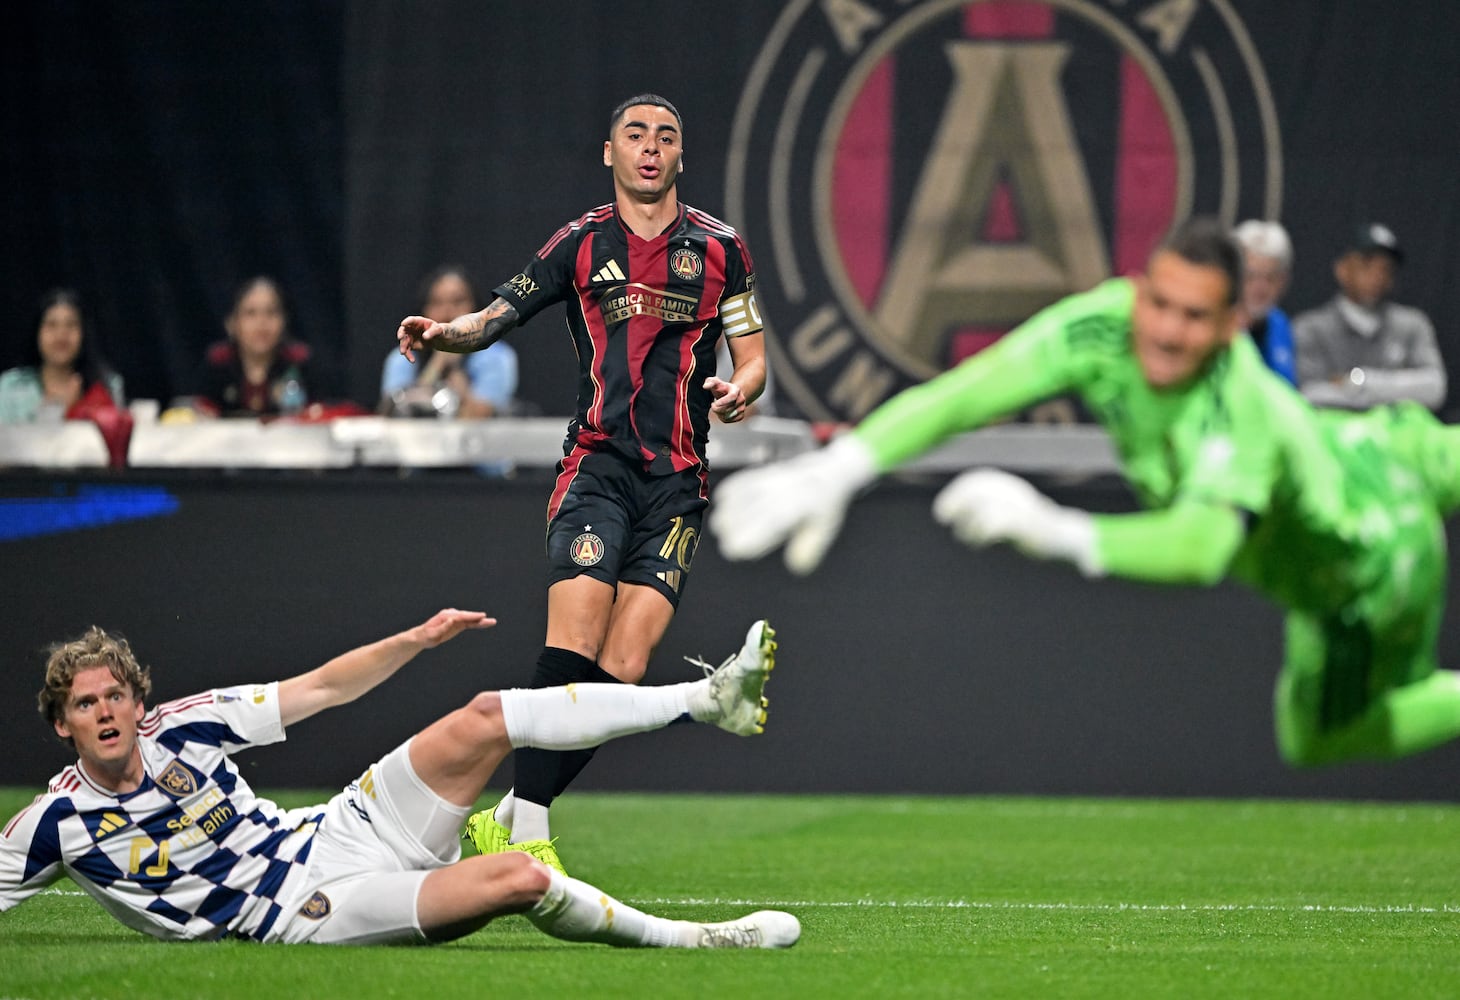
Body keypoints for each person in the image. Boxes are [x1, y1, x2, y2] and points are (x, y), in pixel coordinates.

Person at [712, 218, 1460, 771]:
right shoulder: (1106, 322)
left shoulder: (1243, 407)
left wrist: (1059, 531)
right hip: (1374, 444)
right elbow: (973, 390)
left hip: (1374, 555)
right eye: (1159, 303)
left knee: (1317, 739)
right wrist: (845, 466)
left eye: (1195, 317)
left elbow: (1202, 549)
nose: (1166, 331)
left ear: (1234, 326)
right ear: (1140, 288)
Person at [395, 93, 769, 872]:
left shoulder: (723, 249)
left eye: (666, 136)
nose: (650, 148)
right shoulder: (580, 243)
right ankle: (527, 826)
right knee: (574, 640)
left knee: (626, 669)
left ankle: (510, 813)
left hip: (679, 483)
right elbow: (494, 317)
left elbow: (754, 355)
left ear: (679, 156)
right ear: (611, 153)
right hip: (596, 468)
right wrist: (444, 335)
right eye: (635, 135)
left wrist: (743, 390)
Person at [0, 609, 796, 948]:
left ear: (139, 700)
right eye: (83, 704)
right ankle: (699, 940)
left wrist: (413, 640)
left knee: (486, 713)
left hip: (335, 829)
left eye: (115, 695)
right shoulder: (53, 823)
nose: (104, 712)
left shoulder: (187, 724)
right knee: (518, 877)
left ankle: (704, 697)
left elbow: (320, 688)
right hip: (307, 912)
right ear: (61, 723)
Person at [1292, 223, 1446, 411]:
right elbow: (1306, 394)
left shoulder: (1413, 324)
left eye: (1385, 268)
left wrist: (1359, 381)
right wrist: (1397, 391)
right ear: (1342, 269)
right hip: (1332, 436)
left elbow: (1434, 388)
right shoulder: (1310, 328)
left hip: (1396, 436)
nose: (1376, 276)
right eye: (1366, 265)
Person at [380, 266, 519, 419]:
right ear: (423, 310)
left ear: (477, 309)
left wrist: (454, 369)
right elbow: (389, 415)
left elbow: (481, 418)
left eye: (458, 302)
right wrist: (436, 366)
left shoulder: (496, 357)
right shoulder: (403, 357)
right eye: (437, 303)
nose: (447, 312)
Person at [194, 276, 317, 418]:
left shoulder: (300, 362)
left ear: (284, 322)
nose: (261, 323)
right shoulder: (217, 363)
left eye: (271, 312)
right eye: (251, 313)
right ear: (231, 323)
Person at [0, 288, 125, 424]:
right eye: (52, 325)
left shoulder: (107, 385)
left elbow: (115, 441)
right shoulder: (11, 387)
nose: (61, 334)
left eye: (71, 325)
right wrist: (57, 409)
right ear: (37, 333)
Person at [1231, 219, 1297, 385]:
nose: (1260, 287)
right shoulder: (1216, 324)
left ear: (1283, 281)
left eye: (1270, 278)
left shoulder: (1280, 324)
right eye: (1250, 275)